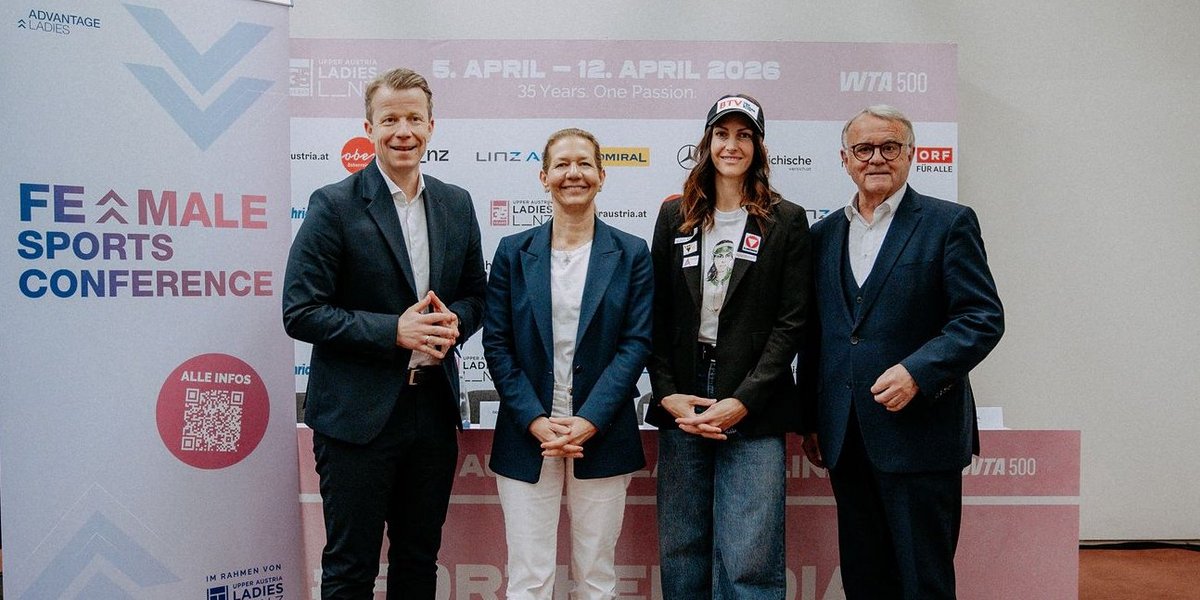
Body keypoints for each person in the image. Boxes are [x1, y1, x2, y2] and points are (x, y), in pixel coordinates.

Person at [282, 67, 487, 599]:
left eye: (414, 119)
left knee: (418, 563)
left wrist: (456, 322)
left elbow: (476, 294)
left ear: (431, 126)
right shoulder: (334, 204)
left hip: (432, 413)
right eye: (390, 119)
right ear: (369, 128)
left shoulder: (457, 203)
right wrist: (394, 330)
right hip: (355, 419)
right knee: (350, 569)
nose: (403, 131)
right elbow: (301, 311)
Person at [801, 105, 1004, 599]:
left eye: (889, 147)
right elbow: (816, 335)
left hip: (921, 436)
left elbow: (981, 318)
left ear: (911, 154)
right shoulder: (822, 236)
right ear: (845, 159)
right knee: (864, 579)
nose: (876, 158)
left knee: (922, 581)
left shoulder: (948, 223)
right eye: (863, 149)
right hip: (845, 437)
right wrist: (811, 418)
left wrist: (917, 371)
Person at [646, 94, 813, 598]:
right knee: (682, 549)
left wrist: (744, 400)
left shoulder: (786, 219)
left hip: (754, 398)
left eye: (744, 135)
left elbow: (791, 323)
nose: (731, 145)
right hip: (685, 394)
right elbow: (655, 314)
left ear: (758, 146)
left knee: (749, 556)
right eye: (722, 134)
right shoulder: (674, 216)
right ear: (707, 142)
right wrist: (666, 394)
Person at [484, 128, 653, 600]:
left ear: (602, 175)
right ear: (544, 177)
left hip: (602, 432)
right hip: (527, 433)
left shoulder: (632, 253)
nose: (572, 174)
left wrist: (589, 420)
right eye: (561, 164)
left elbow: (636, 344)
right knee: (529, 578)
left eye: (584, 164)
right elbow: (497, 344)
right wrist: (536, 420)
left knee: (596, 578)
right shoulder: (513, 252)